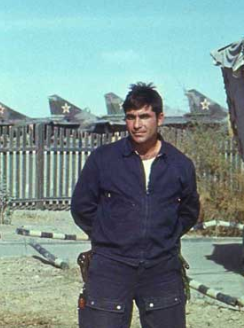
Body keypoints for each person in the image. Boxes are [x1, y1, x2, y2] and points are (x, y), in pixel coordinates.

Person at [71, 82, 200, 328]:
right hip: (111, 266)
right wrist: (110, 237)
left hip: (162, 268)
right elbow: (81, 207)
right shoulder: (104, 159)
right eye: (131, 117)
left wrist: (162, 237)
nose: (137, 125)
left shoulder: (180, 164)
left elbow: (189, 211)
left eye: (144, 116)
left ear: (159, 118)